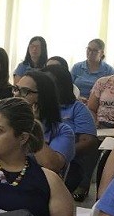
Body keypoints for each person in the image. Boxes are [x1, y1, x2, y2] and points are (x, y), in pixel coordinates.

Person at [42, 65, 98, 198]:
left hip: (68, 162)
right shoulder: (37, 106)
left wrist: (61, 151)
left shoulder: (77, 108)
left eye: (50, 83)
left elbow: (88, 141)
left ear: (62, 85)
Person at [15, 70, 76, 175]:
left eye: (25, 91)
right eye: (16, 89)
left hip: (39, 186)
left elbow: (51, 165)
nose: (16, 95)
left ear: (43, 97)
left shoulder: (62, 131)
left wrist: (33, 124)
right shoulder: (3, 125)